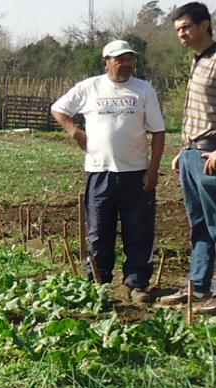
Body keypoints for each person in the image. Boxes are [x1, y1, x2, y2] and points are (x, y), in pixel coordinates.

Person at [51, 39, 167, 305]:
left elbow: (158, 132)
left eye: (129, 59)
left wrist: (153, 169)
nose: (126, 64)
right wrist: (75, 131)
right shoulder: (90, 87)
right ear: (106, 63)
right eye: (120, 59)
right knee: (99, 231)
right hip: (100, 172)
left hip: (136, 172)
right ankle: (98, 283)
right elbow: (58, 109)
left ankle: (136, 284)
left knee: (138, 231)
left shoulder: (144, 90)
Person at [159, 2, 216, 315]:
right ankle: (197, 286)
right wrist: (182, 150)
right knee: (198, 224)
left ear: (205, 25)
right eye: (178, 30)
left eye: (186, 27)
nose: (181, 34)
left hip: (210, 152)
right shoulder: (198, 60)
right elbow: (201, 112)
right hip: (191, 153)